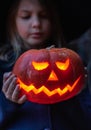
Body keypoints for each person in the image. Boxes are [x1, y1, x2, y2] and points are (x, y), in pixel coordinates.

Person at [0, 0, 91, 130]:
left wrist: (75, 94)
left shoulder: (73, 65)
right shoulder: (3, 67)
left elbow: (86, 122)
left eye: (44, 16)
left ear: (53, 21)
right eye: (26, 17)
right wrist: (7, 102)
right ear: (12, 22)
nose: (36, 24)